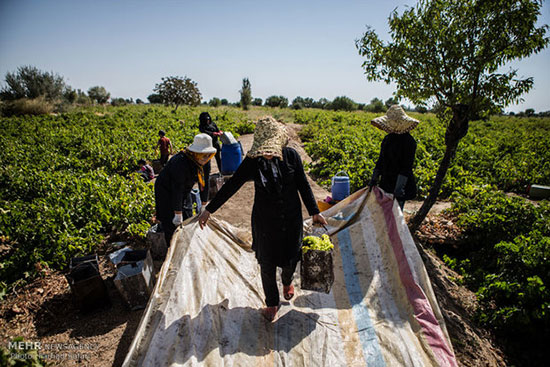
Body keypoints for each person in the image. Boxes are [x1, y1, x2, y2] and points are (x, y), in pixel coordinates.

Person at [197, 116, 327, 322]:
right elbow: (232, 186)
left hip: (291, 218)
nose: (266, 153)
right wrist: (209, 209)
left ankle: (287, 281)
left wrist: (314, 211)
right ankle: (272, 303)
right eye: (263, 150)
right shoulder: (252, 162)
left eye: (270, 149)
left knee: (291, 258)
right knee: (266, 263)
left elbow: (303, 184)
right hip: (265, 221)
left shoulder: (291, 156)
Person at [154, 133, 216, 246]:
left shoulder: (205, 161)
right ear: (195, 153)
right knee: (171, 222)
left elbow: (204, 183)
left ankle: (186, 246)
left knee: (187, 216)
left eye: (209, 155)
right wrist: (177, 214)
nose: (206, 158)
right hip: (166, 189)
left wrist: (204, 206)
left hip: (184, 188)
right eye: (203, 155)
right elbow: (177, 188)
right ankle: (172, 250)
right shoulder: (180, 163)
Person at [368, 105, 419, 210]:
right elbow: (381, 160)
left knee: (396, 214)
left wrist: (398, 188)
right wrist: (374, 178)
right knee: (385, 214)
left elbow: (406, 167)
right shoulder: (388, 139)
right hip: (386, 182)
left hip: (400, 184)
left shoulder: (409, 142)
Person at [198, 112, 222, 202]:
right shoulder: (202, 126)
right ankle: (207, 173)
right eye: (206, 120)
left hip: (215, 144)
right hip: (208, 146)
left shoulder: (213, 124)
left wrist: (219, 132)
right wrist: (214, 134)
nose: (208, 121)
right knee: (208, 161)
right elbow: (206, 133)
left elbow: (217, 130)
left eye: (209, 119)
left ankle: (221, 170)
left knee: (218, 159)